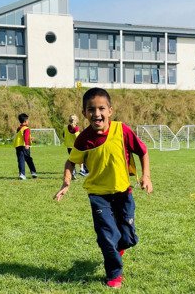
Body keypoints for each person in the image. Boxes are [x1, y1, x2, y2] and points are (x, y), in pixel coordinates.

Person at [54, 88, 153, 289]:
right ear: (84, 113)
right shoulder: (84, 139)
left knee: (128, 238)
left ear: (110, 110)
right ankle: (114, 274)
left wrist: (146, 176)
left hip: (123, 193)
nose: (96, 113)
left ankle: (119, 247)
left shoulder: (122, 130)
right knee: (107, 236)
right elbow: (71, 162)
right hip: (98, 196)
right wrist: (66, 182)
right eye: (91, 109)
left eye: (101, 108)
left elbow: (143, 151)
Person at [13, 113, 37, 180]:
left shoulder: (19, 128)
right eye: (28, 120)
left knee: (21, 160)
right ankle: (33, 172)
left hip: (18, 146)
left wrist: (30, 138)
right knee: (28, 159)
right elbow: (25, 137)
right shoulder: (26, 128)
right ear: (25, 121)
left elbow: (21, 136)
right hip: (24, 146)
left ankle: (22, 174)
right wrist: (27, 144)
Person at [62, 114, 87, 179]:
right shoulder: (76, 128)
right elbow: (78, 138)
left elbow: (63, 136)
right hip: (76, 147)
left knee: (72, 160)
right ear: (76, 120)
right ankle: (82, 170)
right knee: (80, 158)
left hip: (69, 147)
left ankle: (73, 173)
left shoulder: (65, 127)